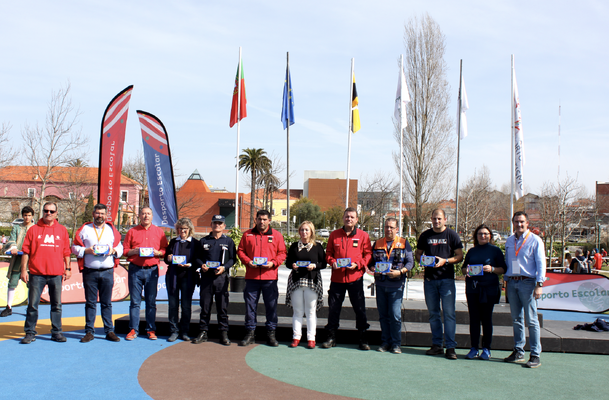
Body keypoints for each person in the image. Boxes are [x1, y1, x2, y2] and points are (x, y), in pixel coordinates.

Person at [19, 202, 71, 344]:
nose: (48, 213)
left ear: (56, 213)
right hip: (37, 274)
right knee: (32, 305)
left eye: (52, 211)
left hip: (56, 274)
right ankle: (30, 332)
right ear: (42, 211)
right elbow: (26, 252)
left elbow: (66, 251)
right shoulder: (33, 230)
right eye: (46, 210)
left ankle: (57, 332)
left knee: (57, 305)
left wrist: (68, 268)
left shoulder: (62, 230)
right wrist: (23, 270)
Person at [415, 209, 463, 360]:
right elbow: (418, 253)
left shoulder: (452, 235)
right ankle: (437, 345)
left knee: (449, 314)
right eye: (434, 219)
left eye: (439, 219)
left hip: (446, 280)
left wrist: (445, 261)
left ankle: (450, 347)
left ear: (445, 219)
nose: (437, 221)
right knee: (433, 314)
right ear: (431, 219)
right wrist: (422, 261)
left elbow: (460, 256)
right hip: (430, 281)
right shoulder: (425, 235)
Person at [322, 207, 373, 350]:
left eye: (352, 217)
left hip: (355, 278)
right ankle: (331, 337)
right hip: (337, 279)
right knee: (333, 309)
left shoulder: (363, 236)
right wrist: (332, 262)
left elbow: (368, 255)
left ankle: (363, 338)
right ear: (343, 218)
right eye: (346, 216)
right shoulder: (334, 235)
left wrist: (358, 265)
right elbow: (328, 254)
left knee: (360, 309)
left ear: (356, 220)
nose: (349, 219)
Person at [72, 204, 123, 342]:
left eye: (102, 213)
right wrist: (86, 251)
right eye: (97, 213)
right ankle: (89, 331)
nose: (100, 216)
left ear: (106, 215)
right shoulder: (85, 229)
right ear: (93, 214)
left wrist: (114, 251)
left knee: (107, 303)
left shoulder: (111, 230)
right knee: (90, 303)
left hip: (107, 271)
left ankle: (109, 331)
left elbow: (120, 247)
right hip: (90, 272)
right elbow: (74, 247)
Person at [237, 210, 286, 347]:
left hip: (269, 278)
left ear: (269, 220)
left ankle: (271, 333)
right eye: (259, 219)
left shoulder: (277, 235)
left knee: (271, 306)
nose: (262, 222)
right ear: (256, 220)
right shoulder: (247, 235)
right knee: (250, 306)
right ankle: (250, 333)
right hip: (252, 277)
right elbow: (240, 251)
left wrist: (273, 263)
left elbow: (282, 253)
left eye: (264, 219)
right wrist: (248, 262)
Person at [503, 211, 545, 368]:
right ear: (513, 223)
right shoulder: (509, 240)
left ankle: (535, 354)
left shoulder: (535, 240)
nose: (519, 224)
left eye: (522, 222)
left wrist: (539, 285)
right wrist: (506, 280)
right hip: (512, 282)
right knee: (516, 319)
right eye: (516, 221)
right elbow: (508, 261)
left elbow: (541, 263)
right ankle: (518, 351)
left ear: (527, 223)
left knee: (532, 320)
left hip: (528, 283)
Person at [460, 224, 507, 360]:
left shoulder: (495, 250)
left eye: (485, 233)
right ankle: (474, 348)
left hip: (489, 289)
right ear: (476, 236)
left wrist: (492, 269)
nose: (483, 236)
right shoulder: (472, 251)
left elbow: (503, 269)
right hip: (472, 289)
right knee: (474, 319)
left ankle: (486, 349)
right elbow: (463, 269)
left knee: (486, 319)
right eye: (480, 234)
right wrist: (468, 270)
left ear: (490, 236)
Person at [368, 217, 413, 354]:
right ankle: (385, 342)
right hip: (381, 284)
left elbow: (410, 263)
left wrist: (400, 271)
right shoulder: (377, 243)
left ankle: (396, 344)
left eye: (391, 227)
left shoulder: (404, 243)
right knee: (383, 315)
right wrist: (373, 268)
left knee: (395, 315)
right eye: (387, 227)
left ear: (397, 229)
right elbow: (370, 262)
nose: (388, 229)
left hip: (396, 285)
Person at [123, 207, 168, 340]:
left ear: (152, 216)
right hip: (135, 270)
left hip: (152, 271)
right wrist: (134, 251)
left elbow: (165, 250)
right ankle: (133, 329)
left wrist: (158, 253)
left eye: (148, 214)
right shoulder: (132, 231)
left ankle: (151, 329)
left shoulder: (159, 232)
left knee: (151, 302)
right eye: (143, 213)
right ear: (139, 216)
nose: (146, 216)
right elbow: (125, 251)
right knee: (135, 302)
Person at [192, 215, 235, 346]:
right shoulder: (203, 241)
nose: (217, 225)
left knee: (222, 307)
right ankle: (203, 332)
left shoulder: (228, 241)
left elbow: (233, 259)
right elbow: (196, 258)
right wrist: (202, 265)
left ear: (224, 226)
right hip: (206, 278)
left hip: (221, 278)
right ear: (211, 225)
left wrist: (224, 267)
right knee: (205, 307)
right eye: (215, 223)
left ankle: (223, 333)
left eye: (220, 223)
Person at [285, 221, 326, 349]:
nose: (304, 232)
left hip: (311, 281)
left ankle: (311, 338)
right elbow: (287, 262)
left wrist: (315, 266)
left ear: (311, 232)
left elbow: (324, 263)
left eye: (307, 230)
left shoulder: (317, 247)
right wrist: (292, 265)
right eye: (302, 230)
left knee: (310, 311)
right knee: (297, 311)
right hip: (296, 281)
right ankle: (296, 337)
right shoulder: (294, 246)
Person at [164, 217, 197, 342]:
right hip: (172, 277)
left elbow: (198, 260)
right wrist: (169, 258)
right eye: (180, 228)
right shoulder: (173, 242)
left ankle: (184, 331)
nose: (182, 231)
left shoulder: (195, 243)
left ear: (190, 229)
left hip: (188, 277)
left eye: (185, 229)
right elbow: (166, 259)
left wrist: (189, 264)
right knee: (173, 306)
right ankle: (174, 331)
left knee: (186, 306)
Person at [1, 206, 35, 317]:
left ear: (32, 216)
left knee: (32, 285)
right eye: (25, 215)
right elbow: (11, 239)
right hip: (17, 260)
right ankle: (9, 307)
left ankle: (31, 308)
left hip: (31, 261)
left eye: (29, 215)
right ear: (22, 216)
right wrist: (13, 247)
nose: (27, 217)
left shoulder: (35, 228)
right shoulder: (17, 227)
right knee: (12, 282)